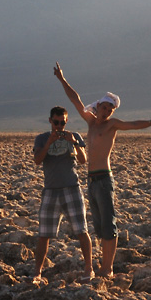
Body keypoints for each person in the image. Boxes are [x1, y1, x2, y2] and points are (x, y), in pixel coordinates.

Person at [53, 62, 151, 278]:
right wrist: (61, 78)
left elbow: (133, 124)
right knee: (99, 224)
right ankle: (104, 266)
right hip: (91, 180)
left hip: (104, 179)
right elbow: (75, 100)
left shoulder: (111, 124)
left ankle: (108, 269)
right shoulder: (91, 122)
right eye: (104, 107)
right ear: (99, 106)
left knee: (108, 223)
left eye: (110, 109)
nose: (106, 112)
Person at [32, 106, 94, 284]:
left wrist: (74, 142)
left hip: (72, 189)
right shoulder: (42, 138)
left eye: (63, 123)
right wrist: (49, 143)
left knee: (82, 230)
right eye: (56, 122)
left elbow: (83, 160)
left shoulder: (74, 136)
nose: (59, 126)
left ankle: (89, 269)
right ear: (50, 121)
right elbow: (37, 160)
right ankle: (37, 272)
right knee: (44, 234)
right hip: (50, 191)